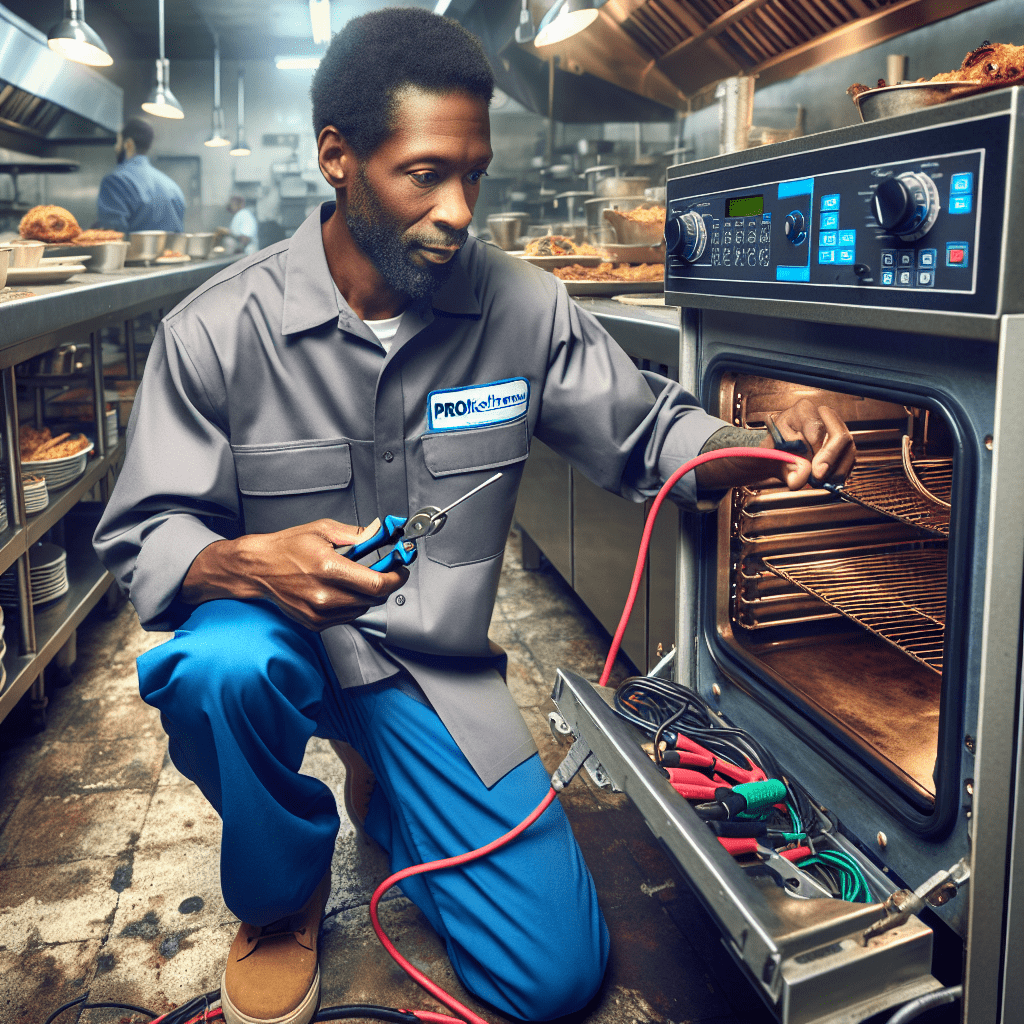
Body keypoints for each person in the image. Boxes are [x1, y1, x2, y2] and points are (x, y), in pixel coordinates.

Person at [93, 10, 856, 1024]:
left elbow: (648, 432)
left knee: (552, 979)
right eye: (423, 173)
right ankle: (280, 898)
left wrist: (757, 444)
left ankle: (385, 769)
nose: (458, 210)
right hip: (271, 639)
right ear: (338, 158)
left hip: (429, 670)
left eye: (474, 175)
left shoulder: (523, 310)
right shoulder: (216, 330)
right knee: (215, 668)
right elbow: (143, 533)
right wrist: (246, 564)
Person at [95, 117, 185, 235]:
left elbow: (111, 236)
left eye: (118, 142)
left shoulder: (115, 181)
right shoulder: (173, 187)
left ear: (129, 144)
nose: (115, 148)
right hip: (171, 254)